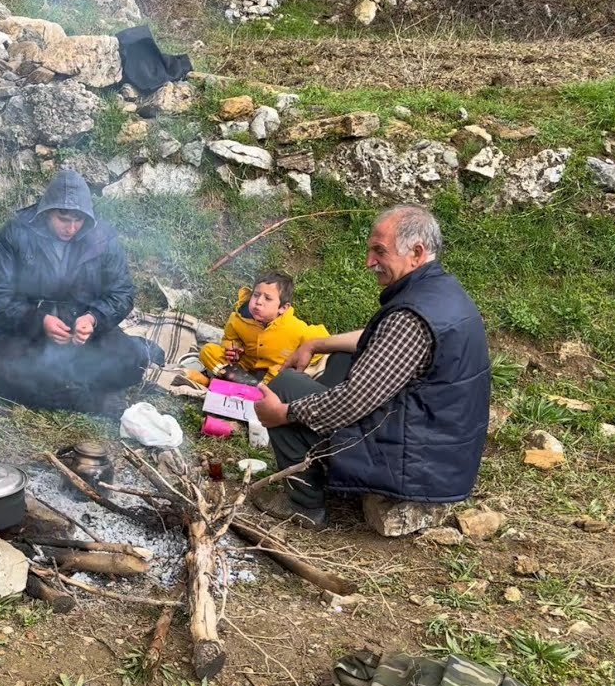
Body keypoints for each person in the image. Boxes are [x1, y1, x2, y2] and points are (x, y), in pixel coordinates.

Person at [252, 205, 490, 528]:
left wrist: (283, 414)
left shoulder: (410, 318)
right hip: (440, 445)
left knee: (285, 388)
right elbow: (378, 340)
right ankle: (324, 462)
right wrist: (316, 343)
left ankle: (304, 504)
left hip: (419, 465)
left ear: (416, 253)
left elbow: (352, 400)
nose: (369, 262)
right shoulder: (438, 290)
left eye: (379, 251)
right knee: (343, 357)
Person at [0, 169, 149, 414]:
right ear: (47, 212)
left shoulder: (103, 238)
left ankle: (60, 389)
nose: (71, 228)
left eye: (78, 220)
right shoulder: (16, 233)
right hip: (27, 331)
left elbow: (121, 292)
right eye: (63, 219)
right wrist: (39, 320)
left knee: (133, 360)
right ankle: (85, 397)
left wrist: (93, 319)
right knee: (1, 368)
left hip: (83, 331)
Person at [198, 271, 332, 386]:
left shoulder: (295, 328)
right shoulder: (238, 319)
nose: (258, 302)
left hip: (273, 376)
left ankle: (245, 385)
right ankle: (248, 385)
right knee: (208, 351)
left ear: (283, 308)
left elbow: (322, 342)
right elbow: (229, 339)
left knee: (288, 380)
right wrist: (232, 348)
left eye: (268, 299)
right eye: (256, 295)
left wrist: (296, 362)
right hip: (244, 367)